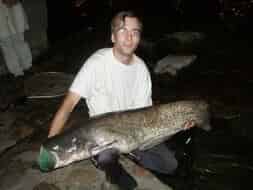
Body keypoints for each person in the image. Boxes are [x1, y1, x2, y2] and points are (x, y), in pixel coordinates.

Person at [48, 11, 181, 190]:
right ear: (112, 36)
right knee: (106, 158)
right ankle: (112, 165)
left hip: (133, 131)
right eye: (123, 31)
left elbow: (147, 114)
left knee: (170, 165)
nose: (129, 37)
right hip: (101, 135)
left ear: (139, 37)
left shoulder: (141, 68)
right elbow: (67, 106)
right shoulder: (96, 63)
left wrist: (178, 124)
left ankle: (131, 154)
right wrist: (51, 143)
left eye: (135, 32)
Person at [0, 0, 32, 77]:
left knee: (20, 39)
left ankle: (28, 66)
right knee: (6, 43)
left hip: (14, 6)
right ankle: (17, 72)